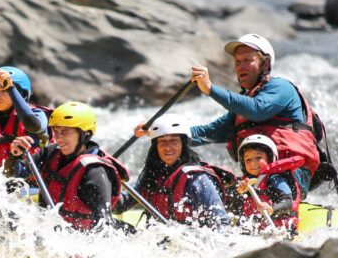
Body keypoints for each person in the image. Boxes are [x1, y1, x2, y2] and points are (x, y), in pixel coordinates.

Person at [136, 34, 324, 197]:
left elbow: (257, 110)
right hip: (256, 179)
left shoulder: (281, 88)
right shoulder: (242, 106)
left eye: (247, 60)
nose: (240, 66)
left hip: (289, 175)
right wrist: (158, 131)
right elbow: (207, 132)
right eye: (237, 61)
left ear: (265, 63)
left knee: (270, 180)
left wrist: (210, 89)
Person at [9, 101, 131, 232]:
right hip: (51, 230)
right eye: (56, 131)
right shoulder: (50, 152)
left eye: (65, 131)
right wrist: (14, 156)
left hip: (82, 238)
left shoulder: (96, 172)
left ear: (85, 134)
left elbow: (104, 226)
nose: (58, 138)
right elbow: (14, 175)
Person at [115, 117, 234, 230]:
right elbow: (120, 205)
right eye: (162, 141)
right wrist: (106, 180)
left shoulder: (196, 178)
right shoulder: (152, 174)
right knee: (108, 223)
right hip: (157, 240)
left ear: (183, 144)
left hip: (191, 242)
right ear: (155, 146)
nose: (168, 147)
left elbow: (221, 222)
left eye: (174, 140)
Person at [234, 134, 301, 233]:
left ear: (269, 158)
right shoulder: (245, 184)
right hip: (257, 229)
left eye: (258, 157)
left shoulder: (275, 179)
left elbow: (288, 203)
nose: (253, 163)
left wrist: (271, 208)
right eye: (248, 159)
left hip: (281, 229)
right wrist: (239, 193)